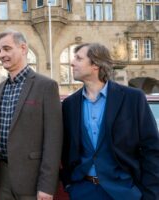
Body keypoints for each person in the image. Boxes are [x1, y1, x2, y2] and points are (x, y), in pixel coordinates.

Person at [60, 43, 159, 200]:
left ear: (96, 65)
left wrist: (150, 194)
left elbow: (151, 148)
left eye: (79, 58)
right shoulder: (70, 104)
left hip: (125, 191)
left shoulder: (132, 98)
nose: (72, 62)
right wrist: (69, 184)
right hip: (82, 191)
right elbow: (66, 149)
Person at [0, 29, 63, 200]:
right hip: (3, 177)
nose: (2, 54)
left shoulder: (46, 86)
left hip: (32, 180)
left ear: (23, 48)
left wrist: (47, 186)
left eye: (7, 48)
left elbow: (54, 140)